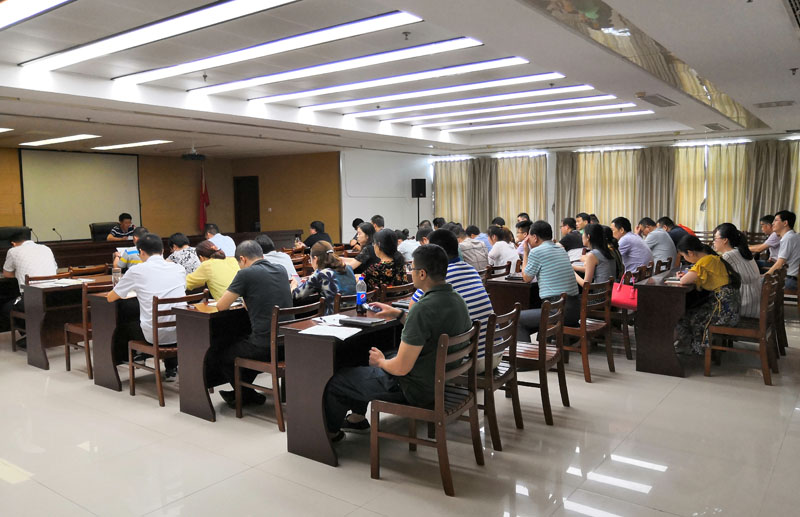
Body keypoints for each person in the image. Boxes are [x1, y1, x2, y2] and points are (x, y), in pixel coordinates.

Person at [325, 244, 472, 439]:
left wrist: (381, 362)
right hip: (437, 379)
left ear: (422, 274)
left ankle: (330, 435)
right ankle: (357, 419)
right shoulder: (457, 300)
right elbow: (429, 329)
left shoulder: (422, 309)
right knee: (367, 356)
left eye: (412, 268)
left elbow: (401, 368)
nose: (410, 272)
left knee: (338, 381)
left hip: (412, 388)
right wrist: (399, 314)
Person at [212, 240, 293, 406]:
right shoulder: (280, 269)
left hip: (265, 346)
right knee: (243, 343)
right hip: (288, 343)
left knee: (221, 353)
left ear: (242, 259)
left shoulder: (246, 274)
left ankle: (245, 394)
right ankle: (243, 392)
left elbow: (221, 306)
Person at [107, 234, 186, 381]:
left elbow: (111, 297)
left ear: (141, 252)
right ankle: (170, 368)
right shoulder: (179, 268)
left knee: (124, 322)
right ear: (162, 251)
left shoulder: (137, 270)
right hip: (181, 331)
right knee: (161, 315)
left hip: (155, 336)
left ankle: (137, 357)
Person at [675, 235, 740, 355]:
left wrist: (684, 277)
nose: (684, 259)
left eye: (684, 256)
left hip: (722, 311)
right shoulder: (712, 258)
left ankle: (696, 349)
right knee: (689, 312)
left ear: (690, 253)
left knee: (684, 316)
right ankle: (694, 346)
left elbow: (684, 281)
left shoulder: (705, 261)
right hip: (730, 308)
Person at [518, 221, 580, 340]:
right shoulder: (561, 249)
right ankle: (542, 343)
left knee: (518, 319)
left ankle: (528, 352)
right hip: (574, 309)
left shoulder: (537, 252)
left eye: (529, 236)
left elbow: (526, 278)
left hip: (557, 310)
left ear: (535, 237)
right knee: (532, 317)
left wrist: (526, 252)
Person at [1, 231, 57, 337]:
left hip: (32, 298)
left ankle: (30, 336)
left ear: (13, 243)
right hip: (53, 295)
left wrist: (19, 274)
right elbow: (55, 268)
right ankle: (38, 333)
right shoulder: (46, 248)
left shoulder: (13, 251)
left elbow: (7, 274)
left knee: (6, 308)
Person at [291, 241, 356, 315]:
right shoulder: (348, 268)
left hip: (334, 318)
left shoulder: (321, 274)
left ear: (315, 259)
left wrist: (294, 285)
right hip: (353, 315)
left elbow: (295, 296)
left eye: (310, 259)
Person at [713, 223, 761, 319]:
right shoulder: (740, 251)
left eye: (715, 239)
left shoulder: (728, 256)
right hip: (754, 302)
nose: (713, 242)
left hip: (744, 306)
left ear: (725, 240)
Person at [766, 210, 800, 290]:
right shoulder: (794, 236)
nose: (772, 223)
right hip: (793, 279)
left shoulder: (787, 238)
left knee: (762, 289)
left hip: (790, 280)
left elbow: (779, 264)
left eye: (776, 220)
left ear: (785, 223)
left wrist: (764, 276)